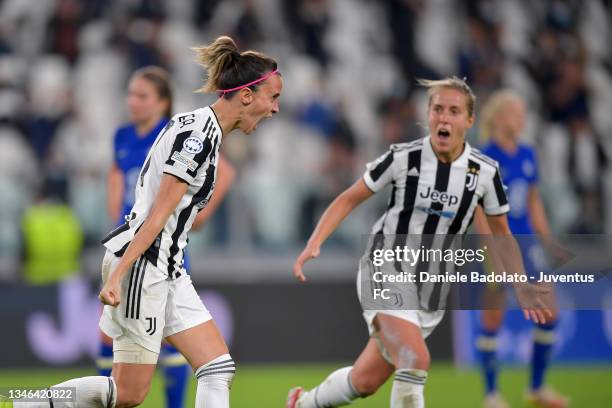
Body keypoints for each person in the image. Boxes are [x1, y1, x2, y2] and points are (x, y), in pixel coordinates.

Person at [24, 35, 281, 408]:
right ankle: (20, 403)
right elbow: (158, 214)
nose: (275, 109)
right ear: (246, 96)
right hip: (145, 266)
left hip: (167, 267)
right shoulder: (198, 137)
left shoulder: (204, 129)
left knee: (217, 367)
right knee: (127, 394)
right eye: (272, 98)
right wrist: (117, 275)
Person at [287, 77, 551, 408]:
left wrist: (521, 283)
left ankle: (303, 404)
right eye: (437, 109)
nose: (444, 117)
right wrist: (315, 241)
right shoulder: (403, 158)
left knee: (366, 381)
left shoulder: (484, 173)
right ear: (427, 115)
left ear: (469, 120)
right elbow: (348, 198)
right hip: (385, 267)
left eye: (454, 111)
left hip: (429, 288)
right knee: (416, 359)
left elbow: (502, 233)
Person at [99, 66, 236, 408]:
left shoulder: (175, 131)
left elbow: (225, 170)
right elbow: (119, 176)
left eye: (142, 95)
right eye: (130, 94)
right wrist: (116, 208)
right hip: (139, 250)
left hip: (163, 250)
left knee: (211, 363)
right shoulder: (124, 135)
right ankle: (26, 400)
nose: (133, 102)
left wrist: (201, 214)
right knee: (126, 385)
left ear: (162, 103)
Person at [473, 90, 568, 408]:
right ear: (498, 117)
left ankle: (536, 388)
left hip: (527, 244)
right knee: (493, 320)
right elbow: (478, 210)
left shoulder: (528, 153)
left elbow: (532, 200)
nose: (522, 118)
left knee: (550, 314)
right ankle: (491, 394)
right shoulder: (484, 158)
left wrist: (546, 238)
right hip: (499, 246)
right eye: (516, 112)